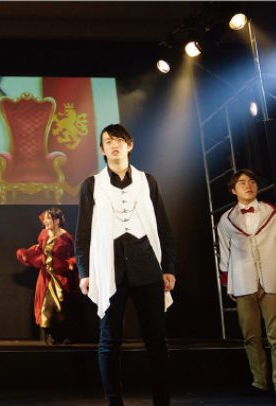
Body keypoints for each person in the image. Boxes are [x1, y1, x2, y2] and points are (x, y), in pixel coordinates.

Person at [75, 124, 177, 406]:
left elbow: (163, 227)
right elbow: (83, 234)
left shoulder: (147, 181)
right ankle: (114, 402)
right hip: (109, 270)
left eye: (119, 140)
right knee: (109, 341)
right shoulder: (91, 184)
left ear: (129, 145)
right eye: (108, 141)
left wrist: (168, 267)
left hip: (147, 266)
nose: (114, 145)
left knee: (156, 340)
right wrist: (85, 272)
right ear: (102, 149)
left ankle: (162, 401)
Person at [217, 169, 276, 400]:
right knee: (251, 336)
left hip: (272, 278)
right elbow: (224, 253)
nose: (248, 185)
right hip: (243, 281)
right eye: (242, 183)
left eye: (251, 181)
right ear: (233, 190)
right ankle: (259, 382)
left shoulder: (272, 212)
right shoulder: (226, 219)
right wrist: (228, 283)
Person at [16, 208, 76, 344]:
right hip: (45, 276)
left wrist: (69, 264)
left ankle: (63, 336)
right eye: (45, 218)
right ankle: (47, 337)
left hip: (60, 277)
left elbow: (73, 256)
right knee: (44, 305)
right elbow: (40, 249)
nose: (45, 221)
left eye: (49, 218)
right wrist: (27, 254)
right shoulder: (43, 234)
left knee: (60, 307)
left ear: (57, 220)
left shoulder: (66, 238)